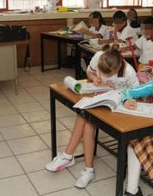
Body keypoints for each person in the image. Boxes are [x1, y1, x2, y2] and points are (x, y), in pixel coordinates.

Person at [45, 44, 139, 188]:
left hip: (118, 105)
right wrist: (95, 78)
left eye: (106, 74)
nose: (102, 75)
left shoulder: (129, 72)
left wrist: (128, 100)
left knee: (85, 118)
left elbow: (136, 94)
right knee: (86, 120)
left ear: (117, 67)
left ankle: (68, 156)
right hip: (101, 97)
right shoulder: (99, 56)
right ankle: (87, 169)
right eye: (101, 71)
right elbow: (90, 72)